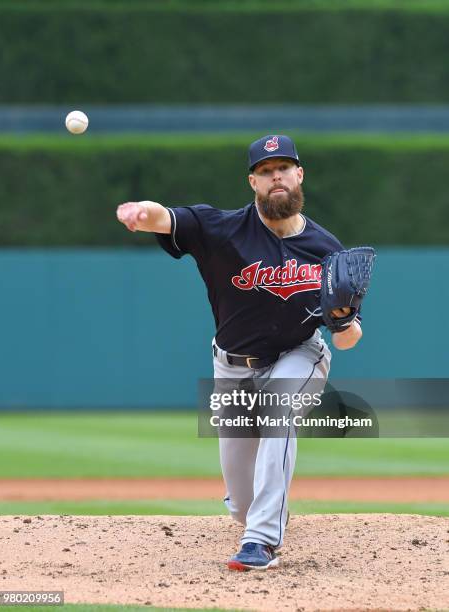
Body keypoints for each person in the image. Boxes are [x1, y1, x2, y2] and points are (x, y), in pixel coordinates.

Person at [116, 135, 362, 571]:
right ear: (253, 182)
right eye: (266, 171)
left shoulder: (328, 250)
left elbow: (347, 338)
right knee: (241, 504)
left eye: (284, 168)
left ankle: (262, 541)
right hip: (230, 367)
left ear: (299, 175)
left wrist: (343, 322)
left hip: (298, 355)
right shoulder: (222, 229)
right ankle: (253, 517)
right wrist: (140, 212)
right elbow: (167, 218)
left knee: (280, 411)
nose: (276, 177)